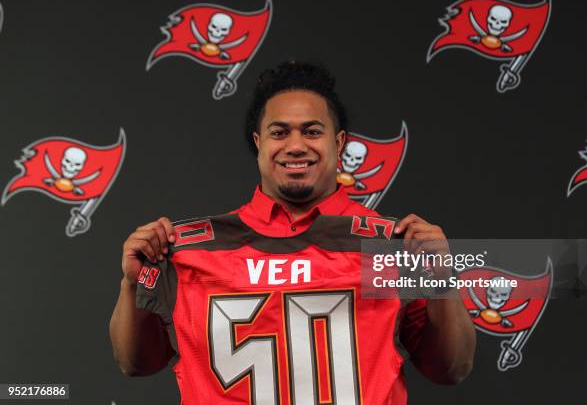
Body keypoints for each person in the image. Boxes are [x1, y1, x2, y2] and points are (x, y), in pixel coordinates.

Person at [109, 61, 475, 403]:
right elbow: (135, 363)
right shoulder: (193, 251)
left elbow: (451, 369)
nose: (296, 146)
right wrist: (131, 282)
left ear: (340, 142)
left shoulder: (384, 249)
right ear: (258, 143)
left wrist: (441, 277)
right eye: (280, 132)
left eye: (312, 131)